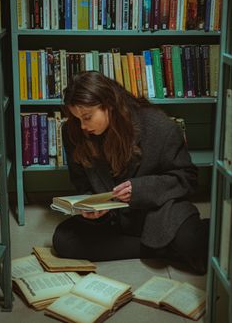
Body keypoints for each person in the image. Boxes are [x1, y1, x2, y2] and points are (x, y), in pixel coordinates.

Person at [52, 70, 209, 275]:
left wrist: (141, 190)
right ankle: (163, 249)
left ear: (108, 104)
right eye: (77, 118)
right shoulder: (73, 132)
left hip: (157, 209)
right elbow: (81, 182)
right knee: (63, 241)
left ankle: (168, 246)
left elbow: (187, 178)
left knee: (191, 242)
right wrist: (93, 207)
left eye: (87, 117)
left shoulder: (158, 125)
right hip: (112, 218)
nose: (82, 126)